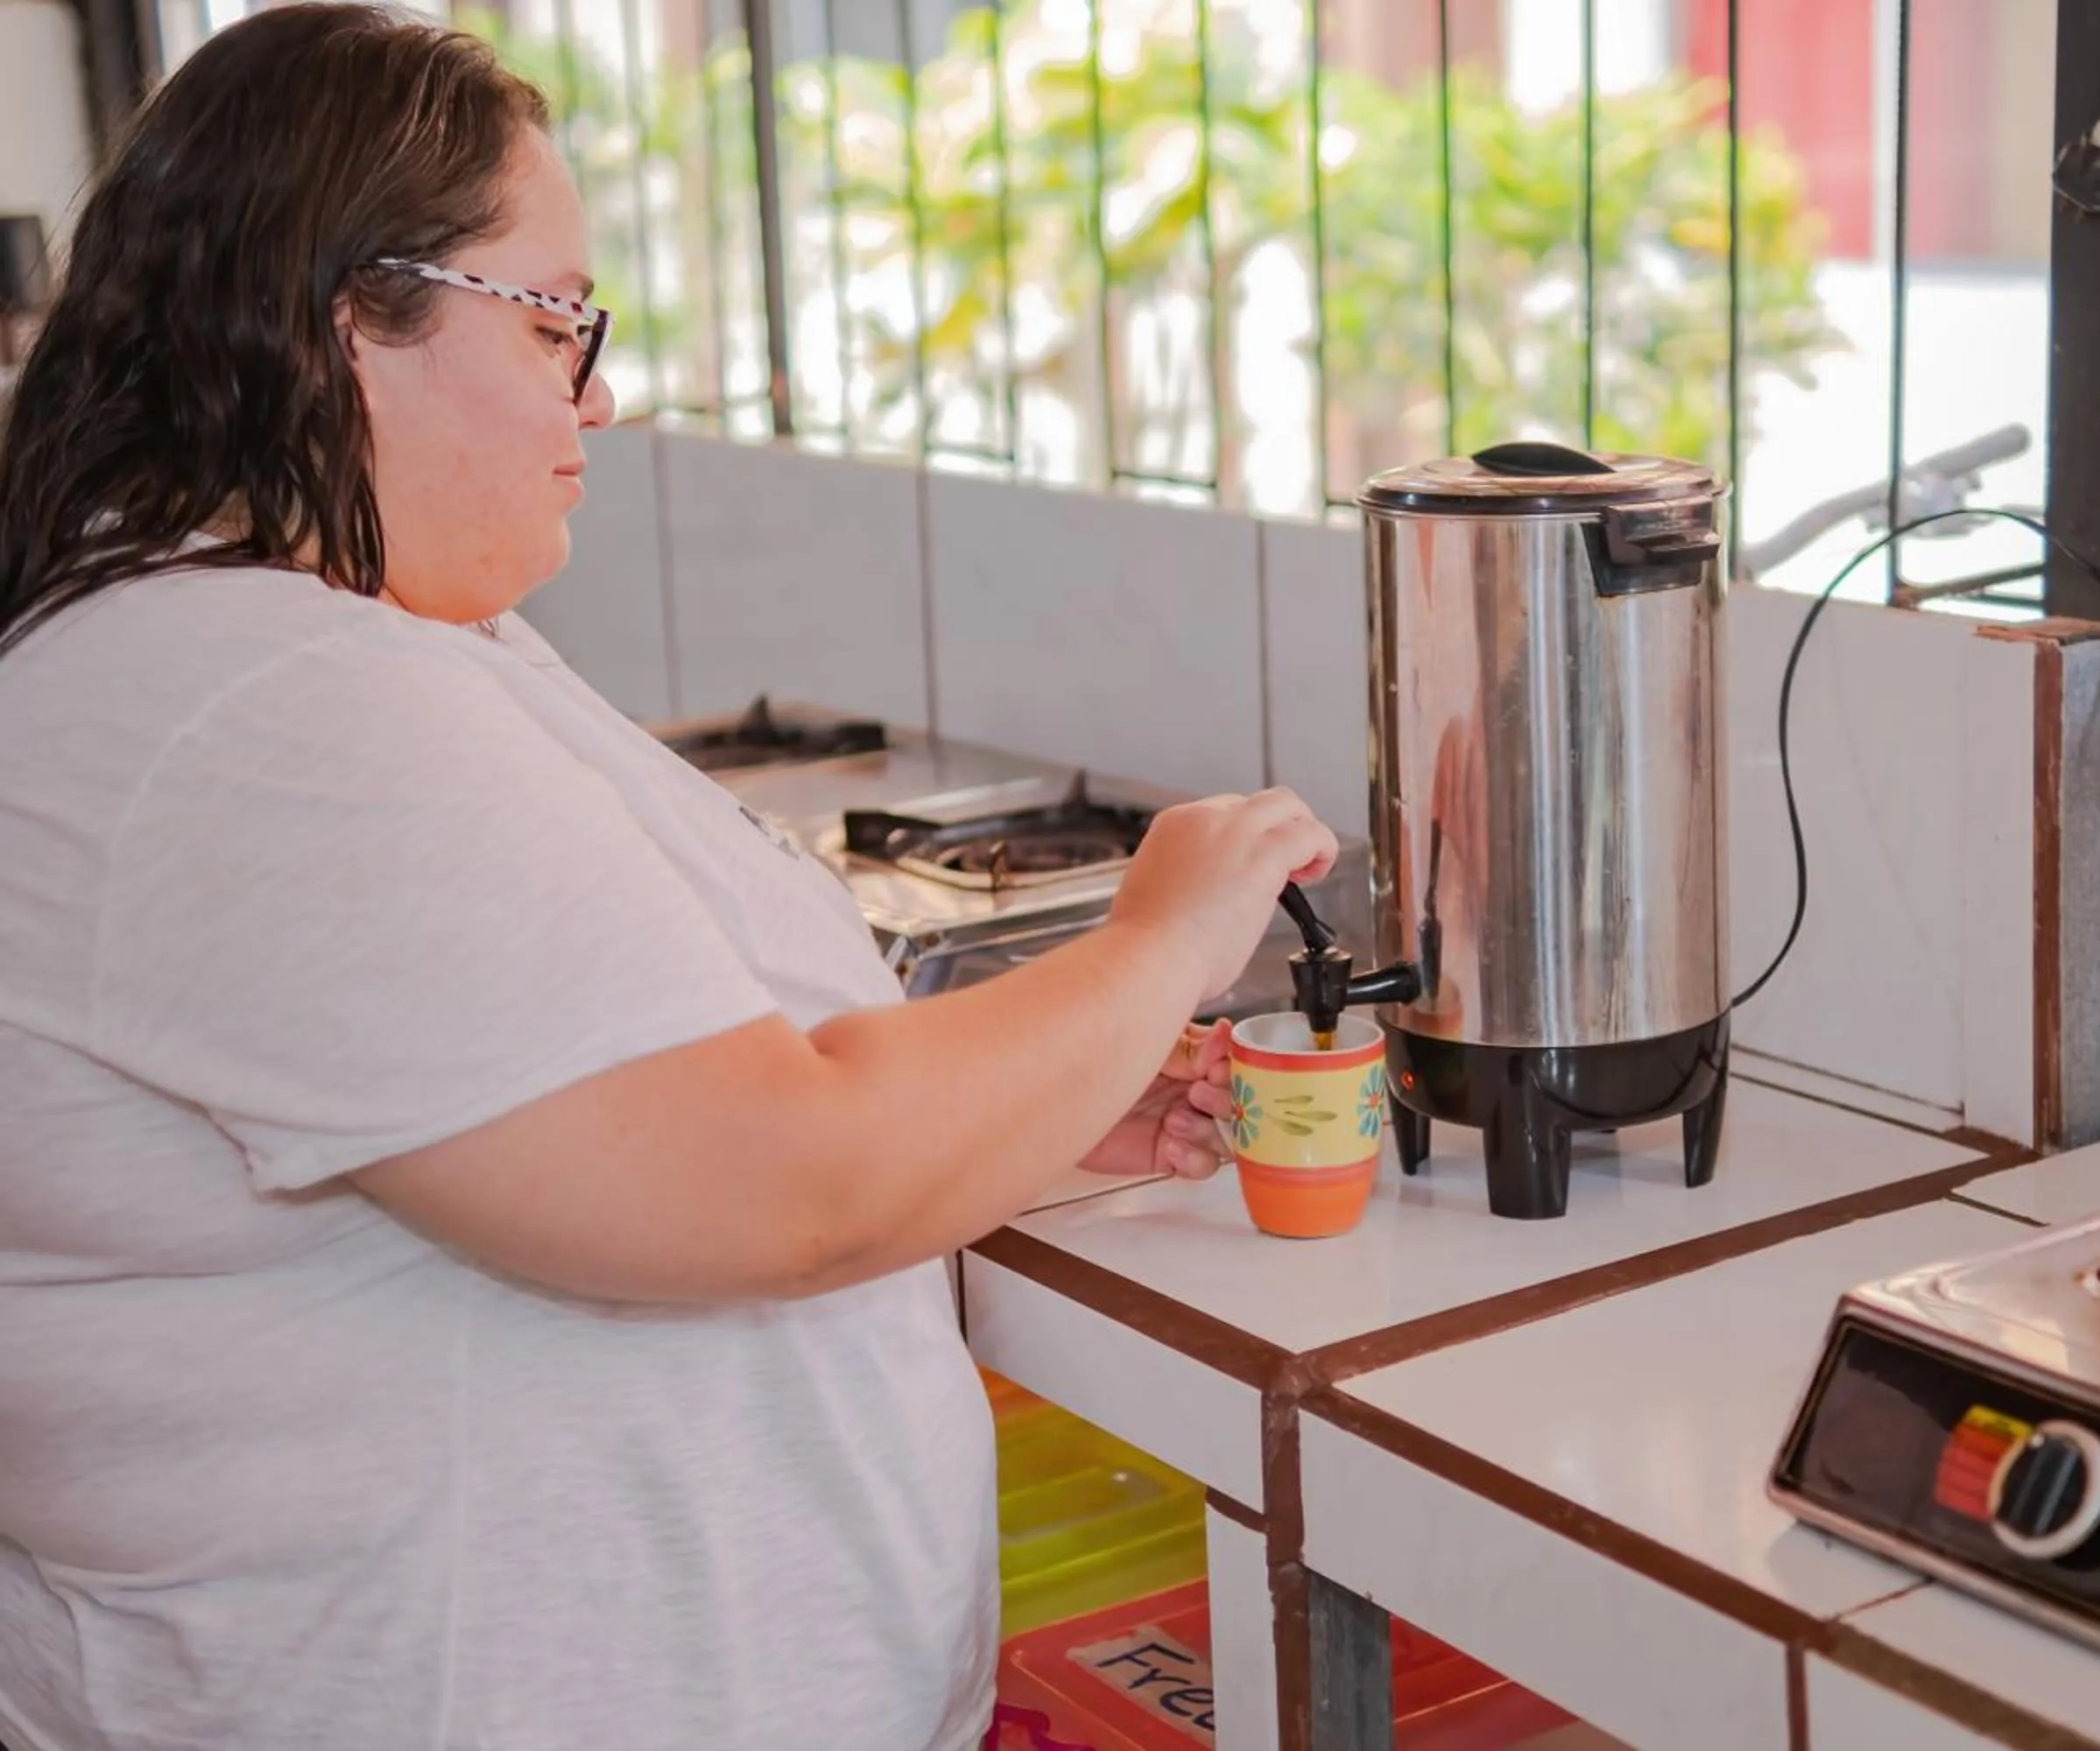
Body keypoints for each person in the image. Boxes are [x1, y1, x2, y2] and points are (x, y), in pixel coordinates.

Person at [0, 7, 1335, 1747]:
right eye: (554, 320)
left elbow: (638, 1090)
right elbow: (784, 1181)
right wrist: (1157, 942)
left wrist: (1036, 1090)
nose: (599, 392)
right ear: (347, 324)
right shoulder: (250, 708)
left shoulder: (346, 639)